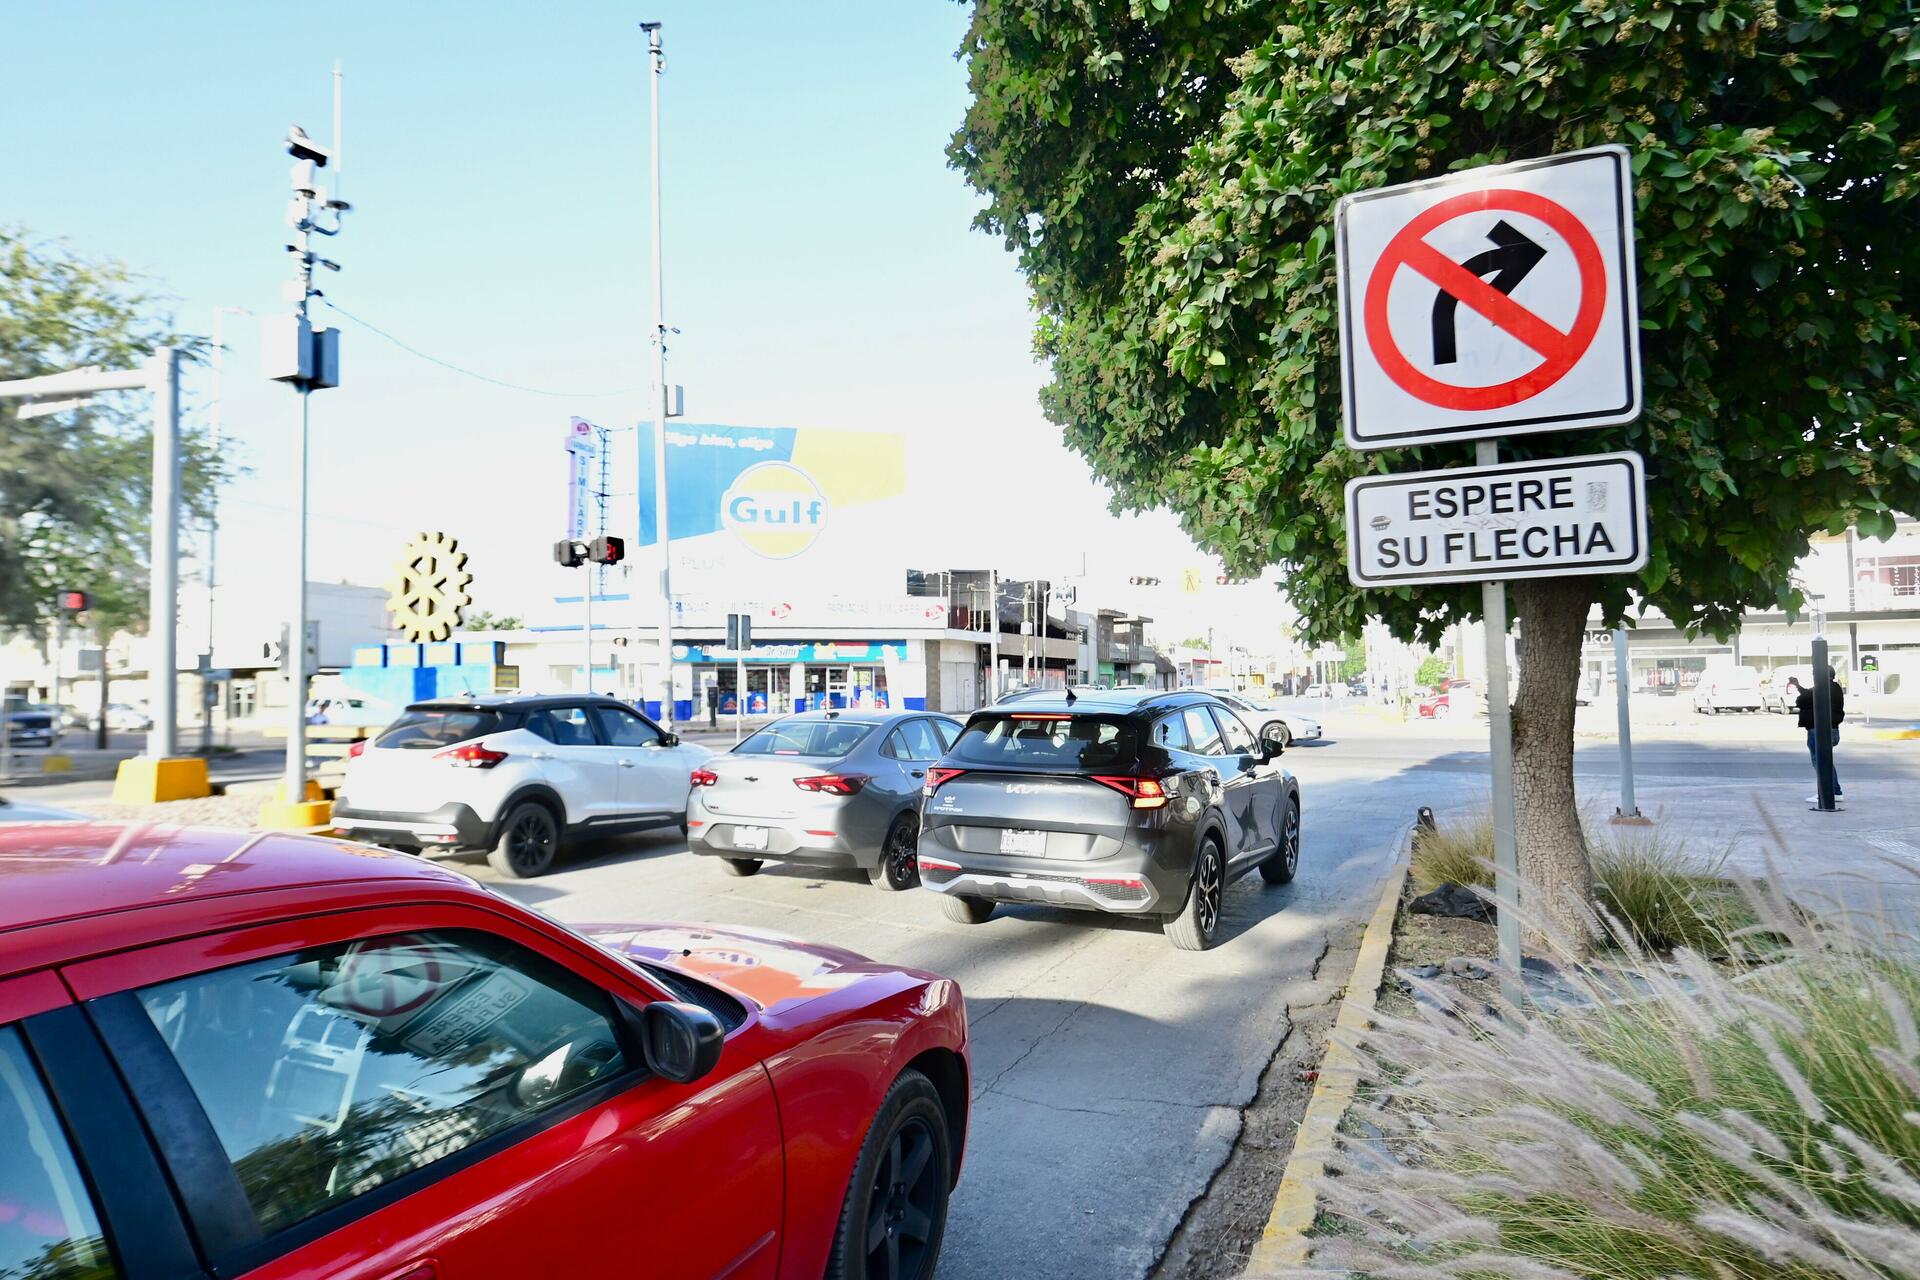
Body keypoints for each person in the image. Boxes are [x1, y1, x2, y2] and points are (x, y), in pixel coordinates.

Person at [1794, 672, 1845, 802]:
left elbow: (1803, 699)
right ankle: (1835, 791)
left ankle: (1824, 793)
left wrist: (1800, 691)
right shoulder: (1834, 687)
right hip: (1831, 729)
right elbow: (1809, 695)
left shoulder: (1823, 688)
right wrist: (1798, 686)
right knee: (1825, 762)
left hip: (1820, 730)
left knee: (1821, 762)